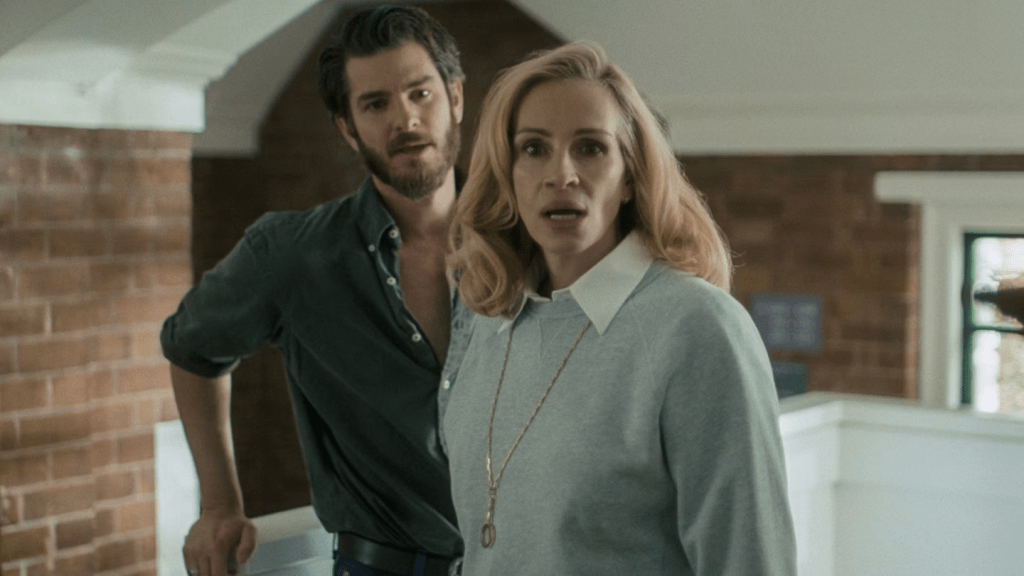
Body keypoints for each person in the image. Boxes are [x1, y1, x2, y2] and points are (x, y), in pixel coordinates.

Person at [442, 42, 797, 575]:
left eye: (590, 148)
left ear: (630, 176)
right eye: (533, 148)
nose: (561, 174)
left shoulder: (698, 328)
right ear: (508, 174)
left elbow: (750, 562)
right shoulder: (487, 320)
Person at [161, 6, 469, 576]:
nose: (404, 118)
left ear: (455, 97)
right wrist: (220, 503)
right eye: (375, 104)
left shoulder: (528, 241)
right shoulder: (292, 254)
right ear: (348, 129)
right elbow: (192, 348)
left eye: (420, 93)